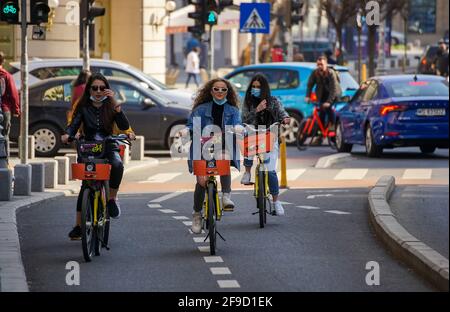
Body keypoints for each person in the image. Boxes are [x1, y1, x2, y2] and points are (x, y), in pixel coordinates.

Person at [62, 73, 135, 240]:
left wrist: (117, 107)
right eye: (94, 88)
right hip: (88, 147)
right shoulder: (83, 107)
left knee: (117, 164)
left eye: (102, 88)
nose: (98, 91)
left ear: (107, 90)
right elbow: (73, 125)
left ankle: (112, 198)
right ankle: (79, 226)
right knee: (85, 185)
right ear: (89, 89)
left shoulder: (112, 106)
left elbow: (124, 126)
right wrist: (67, 135)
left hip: (108, 145)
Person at [179, 78, 242, 234]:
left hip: (223, 146)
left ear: (228, 92)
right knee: (201, 182)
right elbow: (191, 126)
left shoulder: (233, 110)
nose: (220, 92)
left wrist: (239, 128)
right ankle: (197, 214)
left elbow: (237, 123)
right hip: (202, 147)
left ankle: (226, 196)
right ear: (210, 91)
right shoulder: (200, 109)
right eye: (216, 89)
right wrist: (185, 132)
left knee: (224, 160)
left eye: (223, 89)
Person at [240, 74, 290, 216]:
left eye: (258, 87)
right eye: (253, 87)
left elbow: (282, 112)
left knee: (271, 171)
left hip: (270, 137)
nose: (255, 89)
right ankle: (248, 172)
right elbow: (243, 118)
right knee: (247, 137)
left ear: (264, 89)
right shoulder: (248, 102)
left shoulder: (273, 101)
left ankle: (276, 202)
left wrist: (285, 118)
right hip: (253, 135)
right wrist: (257, 110)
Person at [305, 55, 341, 144]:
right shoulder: (315, 73)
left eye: (322, 64)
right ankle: (321, 136)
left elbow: (334, 89)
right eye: (318, 64)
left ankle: (332, 126)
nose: (320, 66)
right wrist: (307, 96)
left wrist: (329, 102)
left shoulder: (331, 73)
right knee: (321, 114)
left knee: (328, 109)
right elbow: (310, 85)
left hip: (333, 96)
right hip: (322, 96)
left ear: (326, 64)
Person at [0, 51, 20, 164]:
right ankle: (5, 162)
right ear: (3, 61)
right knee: (5, 136)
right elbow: (13, 94)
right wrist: (16, 110)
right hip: (4, 109)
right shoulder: (6, 75)